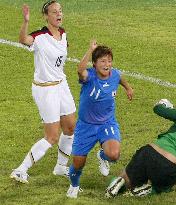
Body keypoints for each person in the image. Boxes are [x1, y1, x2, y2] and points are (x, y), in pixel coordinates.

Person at [10, 1, 76, 183]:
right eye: (54, 12)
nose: (58, 14)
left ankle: (61, 167)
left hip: (61, 85)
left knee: (70, 127)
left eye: (60, 11)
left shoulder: (63, 34)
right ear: (46, 16)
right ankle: (20, 170)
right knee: (52, 135)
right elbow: (24, 40)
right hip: (45, 89)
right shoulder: (39, 36)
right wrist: (25, 22)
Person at [66, 40, 134, 198]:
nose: (107, 64)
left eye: (109, 61)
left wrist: (128, 88)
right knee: (78, 164)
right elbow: (80, 69)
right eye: (103, 61)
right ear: (95, 64)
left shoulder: (114, 74)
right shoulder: (89, 77)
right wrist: (90, 50)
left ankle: (102, 156)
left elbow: (120, 78)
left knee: (114, 154)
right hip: (86, 126)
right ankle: (74, 185)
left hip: (106, 123)